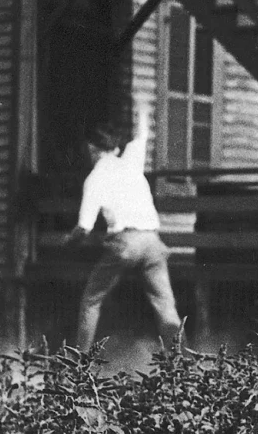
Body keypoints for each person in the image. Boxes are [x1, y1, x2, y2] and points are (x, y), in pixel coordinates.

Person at [64, 95, 181, 353]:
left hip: (125, 245)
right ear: (115, 148)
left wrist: (68, 241)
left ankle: (78, 363)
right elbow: (141, 135)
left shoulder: (95, 178)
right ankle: (180, 364)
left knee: (91, 300)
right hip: (152, 241)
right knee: (165, 303)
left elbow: (84, 227)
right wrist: (141, 110)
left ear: (92, 149)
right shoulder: (131, 161)